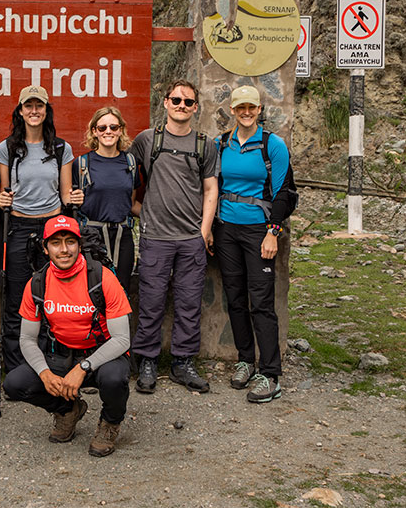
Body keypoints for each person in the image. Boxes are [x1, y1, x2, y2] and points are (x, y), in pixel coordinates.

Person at [3, 215, 131, 457]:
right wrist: (44, 372)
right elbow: (27, 339)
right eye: (56, 243)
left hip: (101, 354)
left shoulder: (103, 278)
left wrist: (83, 367)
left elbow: (122, 340)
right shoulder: (37, 283)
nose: (64, 249)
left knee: (115, 379)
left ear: (80, 245)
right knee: (15, 383)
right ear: (45, 248)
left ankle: (109, 423)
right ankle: (67, 410)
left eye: (70, 242)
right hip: (61, 354)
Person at [130, 80, 219, 394]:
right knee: (151, 303)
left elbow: (211, 189)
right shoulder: (146, 140)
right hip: (155, 237)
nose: (182, 106)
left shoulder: (204, 145)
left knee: (188, 303)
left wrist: (203, 231)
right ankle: (148, 361)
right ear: (165, 102)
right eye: (176, 100)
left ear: (195, 107)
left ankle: (183, 362)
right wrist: (138, 209)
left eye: (188, 102)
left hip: (190, 238)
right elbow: (126, 174)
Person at [0, 85, 77, 374]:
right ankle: (17, 366)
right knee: (18, 297)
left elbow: (66, 194)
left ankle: (50, 362)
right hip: (18, 226)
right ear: (20, 111)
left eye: (39, 106)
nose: (34, 111)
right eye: (28, 106)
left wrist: (74, 198)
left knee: (53, 296)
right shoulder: (7, 148)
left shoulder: (60, 148)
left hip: (52, 228)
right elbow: (5, 193)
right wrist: (3, 199)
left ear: (46, 110)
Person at [215, 86, 289, 403]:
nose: (246, 112)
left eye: (252, 107)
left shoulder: (273, 145)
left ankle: (270, 373)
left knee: (261, 301)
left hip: (259, 230)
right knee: (234, 297)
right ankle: (246, 360)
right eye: (240, 107)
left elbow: (284, 192)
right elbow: (212, 187)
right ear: (233, 110)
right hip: (226, 228)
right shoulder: (222, 144)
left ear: (259, 110)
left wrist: (273, 231)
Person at [71, 106, 141, 291]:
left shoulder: (130, 163)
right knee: (92, 290)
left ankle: (121, 321)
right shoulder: (82, 164)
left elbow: (131, 203)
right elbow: (71, 202)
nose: (108, 132)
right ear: (94, 131)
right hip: (92, 236)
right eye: (102, 128)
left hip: (122, 236)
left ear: (121, 130)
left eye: (113, 127)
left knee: (122, 289)